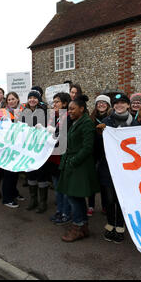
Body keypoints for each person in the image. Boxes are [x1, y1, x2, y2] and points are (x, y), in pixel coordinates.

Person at [97, 93, 139, 243]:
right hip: (107, 168)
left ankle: (120, 226)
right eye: (116, 103)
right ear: (113, 106)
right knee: (108, 199)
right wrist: (100, 134)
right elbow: (99, 147)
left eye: (123, 103)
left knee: (122, 198)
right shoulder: (105, 122)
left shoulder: (134, 124)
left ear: (128, 105)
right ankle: (110, 224)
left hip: (127, 169)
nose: (119, 105)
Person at [58, 95, 99, 242]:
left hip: (80, 165)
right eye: (68, 109)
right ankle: (82, 226)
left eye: (73, 108)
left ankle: (78, 226)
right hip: (73, 164)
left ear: (82, 108)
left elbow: (88, 147)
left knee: (74, 197)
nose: (70, 111)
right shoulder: (76, 122)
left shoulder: (86, 123)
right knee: (75, 197)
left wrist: (74, 161)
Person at [20, 89, 51, 213]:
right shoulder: (24, 112)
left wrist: (43, 128)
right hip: (28, 148)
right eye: (30, 97)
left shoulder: (45, 111)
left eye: (34, 98)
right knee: (31, 173)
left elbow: (51, 127)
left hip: (40, 148)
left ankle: (43, 202)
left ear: (38, 99)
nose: (32, 100)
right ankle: (33, 200)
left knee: (41, 174)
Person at [48, 92, 73, 224]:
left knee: (64, 189)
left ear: (64, 103)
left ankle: (66, 213)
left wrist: (53, 131)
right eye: (53, 102)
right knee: (57, 188)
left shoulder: (68, 117)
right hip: (53, 158)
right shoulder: (54, 117)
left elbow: (64, 135)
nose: (54, 104)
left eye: (57, 102)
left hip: (62, 158)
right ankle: (59, 210)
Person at [0, 92, 25, 208]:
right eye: (9, 99)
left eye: (13, 99)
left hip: (18, 147)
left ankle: (14, 193)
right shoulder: (2, 112)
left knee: (15, 172)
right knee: (8, 173)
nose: (11, 101)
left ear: (18, 100)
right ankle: (7, 198)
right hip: (7, 147)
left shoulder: (23, 111)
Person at [87, 95, 112, 216]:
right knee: (92, 181)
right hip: (93, 153)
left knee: (104, 182)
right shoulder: (91, 118)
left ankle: (105, 206)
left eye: (104, 103)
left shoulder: (111, 118)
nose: (101, 105)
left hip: (106, 154)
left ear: (108, 105)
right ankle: (91, 205)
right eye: (99, 103)